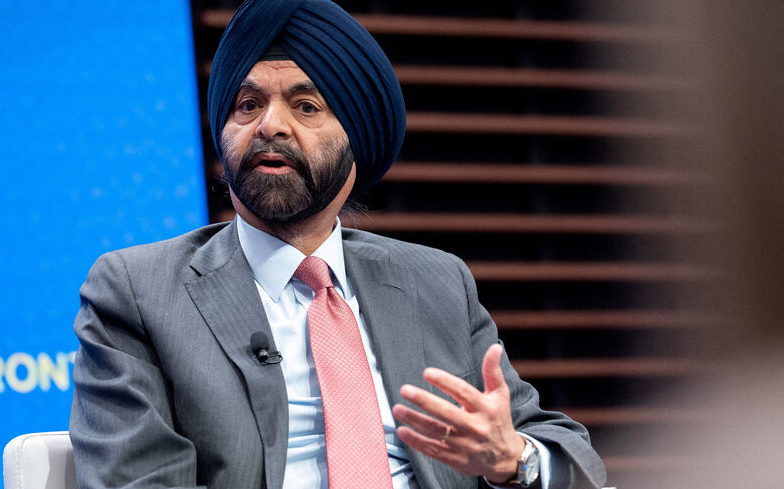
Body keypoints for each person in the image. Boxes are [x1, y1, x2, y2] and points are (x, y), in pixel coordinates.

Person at [69, 1, 606, 488]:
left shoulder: (436, 281)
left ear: (358, 141)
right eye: (247, 104)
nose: (269, 126)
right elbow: (138, 480)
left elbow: (569, 456)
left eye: (306, 106)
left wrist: (514, 459)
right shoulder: (139, 290)